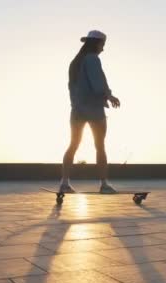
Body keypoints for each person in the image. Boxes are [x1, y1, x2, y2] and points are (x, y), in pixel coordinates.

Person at [60, 30, 121, 194]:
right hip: (94, 110)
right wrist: (110, 96)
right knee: (100, 146)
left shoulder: (75, 63)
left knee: (73, 144)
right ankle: (104, 184)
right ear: (97, 44)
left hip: (77, 110)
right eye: (103, 45)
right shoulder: (92, 59)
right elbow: (97, 84)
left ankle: (64, 182)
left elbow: (72, 88)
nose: (103, 49)